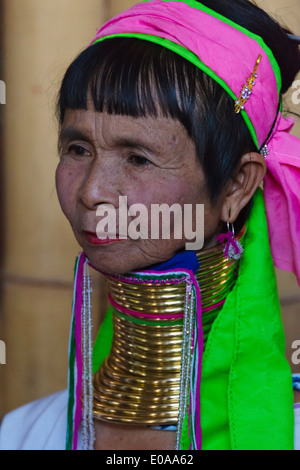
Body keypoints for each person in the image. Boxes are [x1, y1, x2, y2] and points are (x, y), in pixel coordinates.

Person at [0, 0, 300, 451]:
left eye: (139, 158)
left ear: (237, 185)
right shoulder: (23, 434)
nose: (91, 192)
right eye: (78, 148)